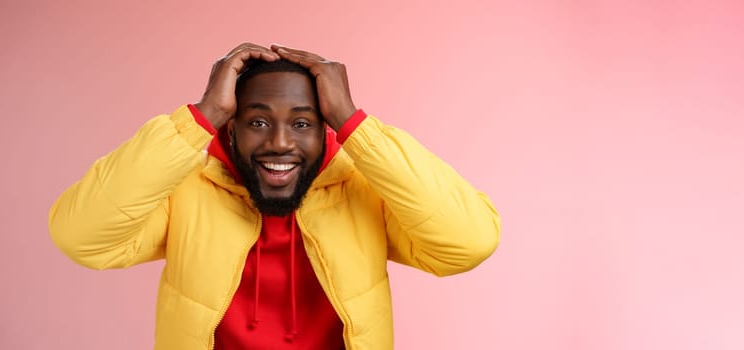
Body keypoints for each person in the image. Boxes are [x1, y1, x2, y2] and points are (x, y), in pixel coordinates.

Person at [49, 42, 501, 350]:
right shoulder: (188, 187)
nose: (280, 143)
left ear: (327, 131)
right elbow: (81, 236)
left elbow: (469, 242)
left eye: (302, 123)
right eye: (258, 122)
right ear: (230, 127)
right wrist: (199, 117)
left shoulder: (362, 188)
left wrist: (353, 121)